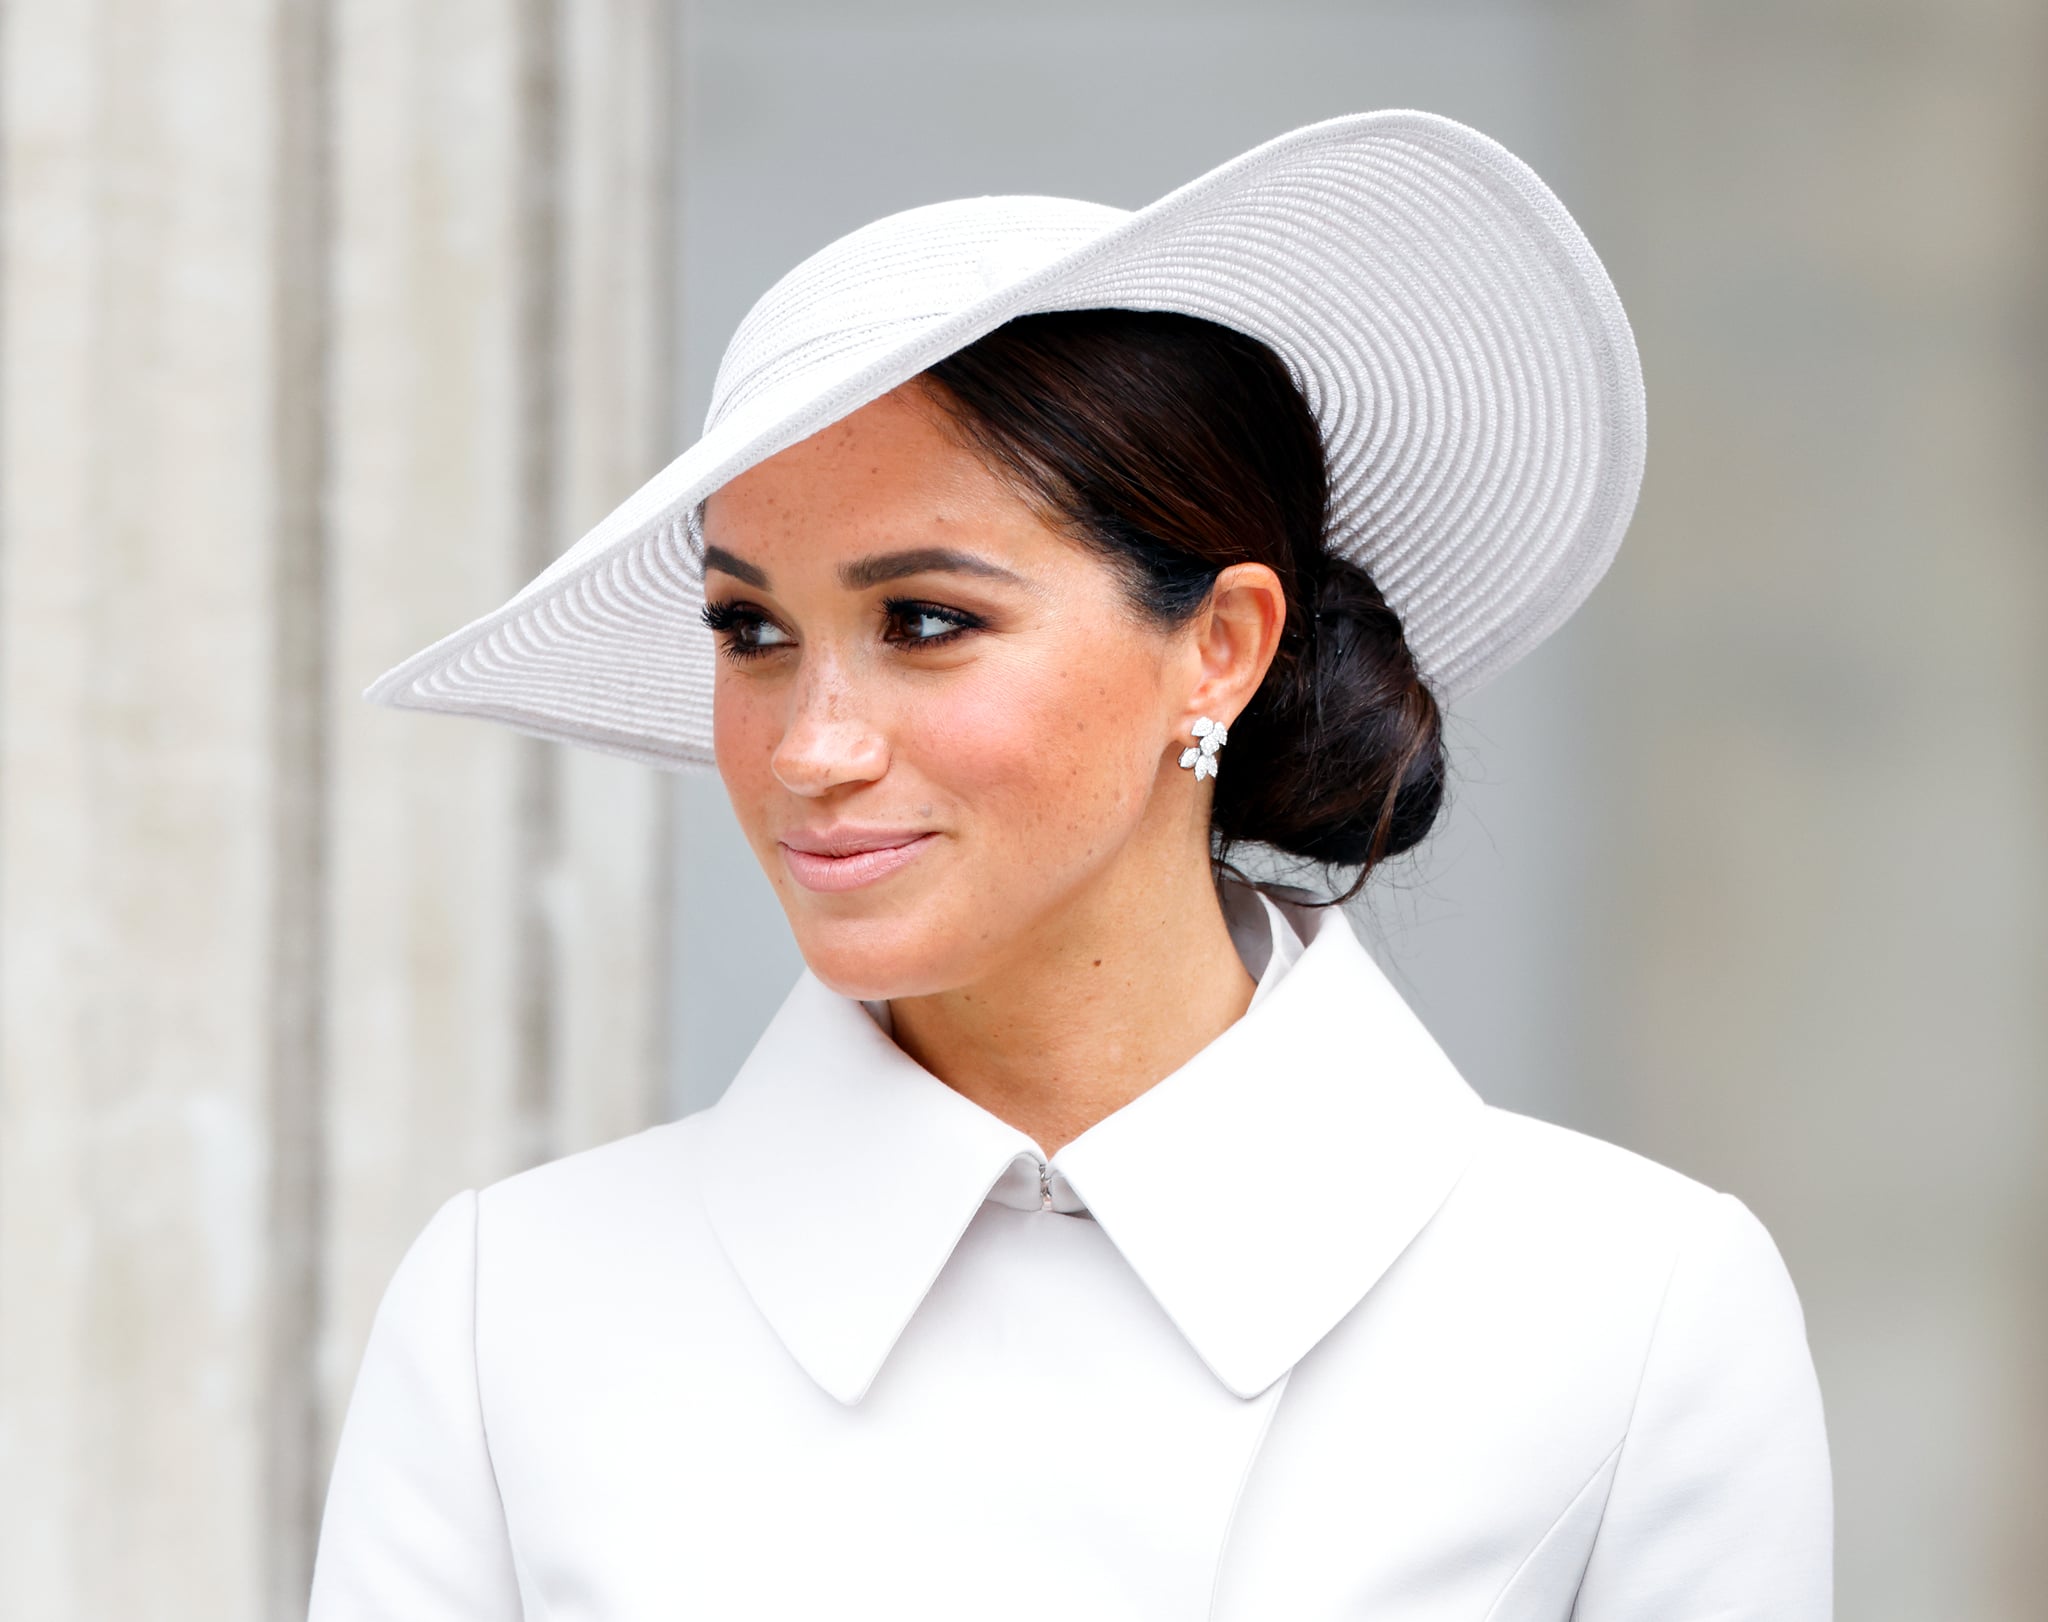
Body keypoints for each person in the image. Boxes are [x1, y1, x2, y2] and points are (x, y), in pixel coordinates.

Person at [310, 112, 1832, 1619]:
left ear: (1219, 647)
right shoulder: (514, 1310)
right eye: (749, 630)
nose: (810, 746)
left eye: (924, 619)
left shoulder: (1628, 1310)